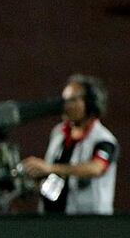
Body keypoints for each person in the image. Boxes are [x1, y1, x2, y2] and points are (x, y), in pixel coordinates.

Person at [23, 74, 119, 214]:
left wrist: (49, 168)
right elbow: (55, 177)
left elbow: (96, 168)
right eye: (64, 100)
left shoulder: (103, 139)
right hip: (53, 219)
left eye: (72, 100)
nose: (66, 106)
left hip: (89, 223)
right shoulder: (58, 134)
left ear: (90, 102)